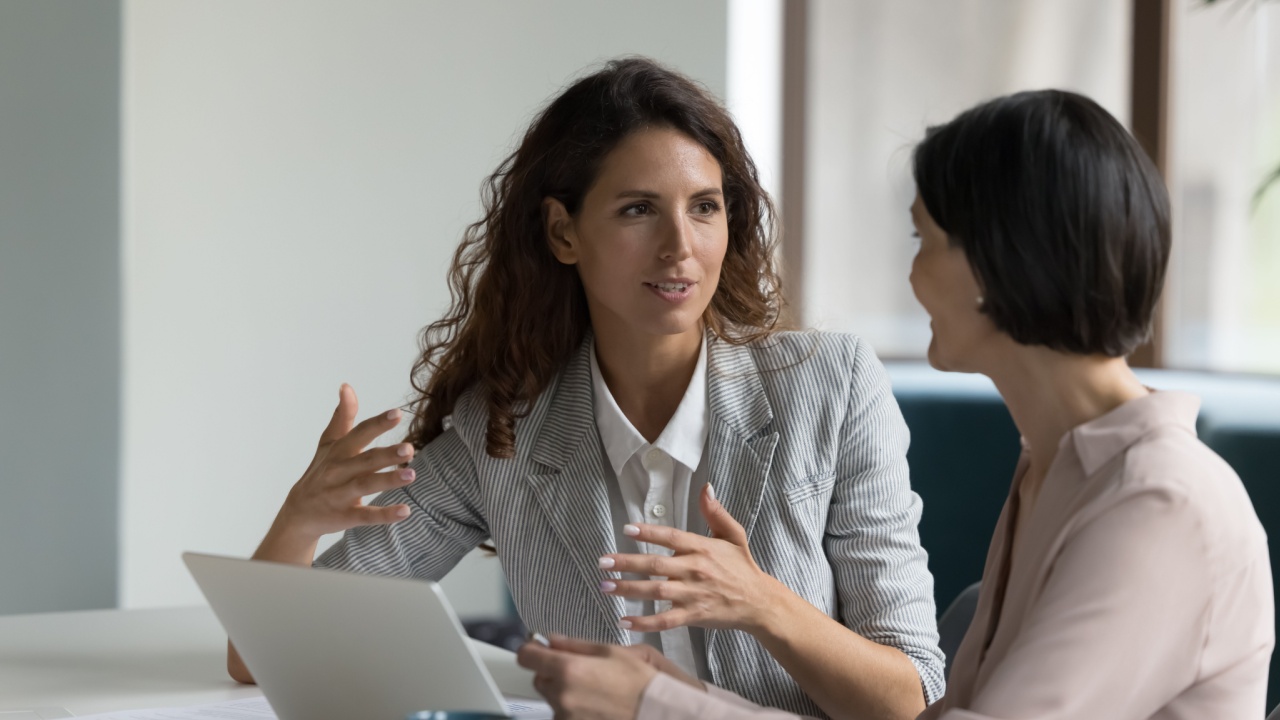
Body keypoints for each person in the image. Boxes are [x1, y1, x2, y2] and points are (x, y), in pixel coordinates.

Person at [517, 89, 1275, 719]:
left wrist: (662, 705)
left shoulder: (1159, 502)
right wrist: (684, 696)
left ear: (995, 261)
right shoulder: (1058, 469)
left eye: (924, 240)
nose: (911, 278)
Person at [226, 57, 945, 719]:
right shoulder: (501, 431)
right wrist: (300, 519)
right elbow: (261, 658)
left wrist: (762, 604)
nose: (680, 246)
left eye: (704, 207)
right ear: (563, 233)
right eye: (638, 209)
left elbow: (913, 700)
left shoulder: (832, 386)